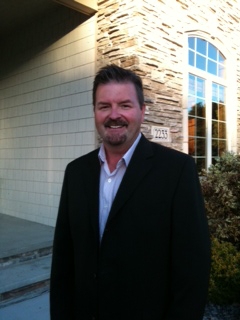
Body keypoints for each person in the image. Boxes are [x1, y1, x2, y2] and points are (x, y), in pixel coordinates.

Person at [50, 64, 211, 320]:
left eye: (125, 105)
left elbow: (192, 268)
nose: (114, 115)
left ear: (142, 111)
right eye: (104, 106)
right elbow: (63, 261)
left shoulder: (177, 170)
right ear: (94, 111)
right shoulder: (76, 172)